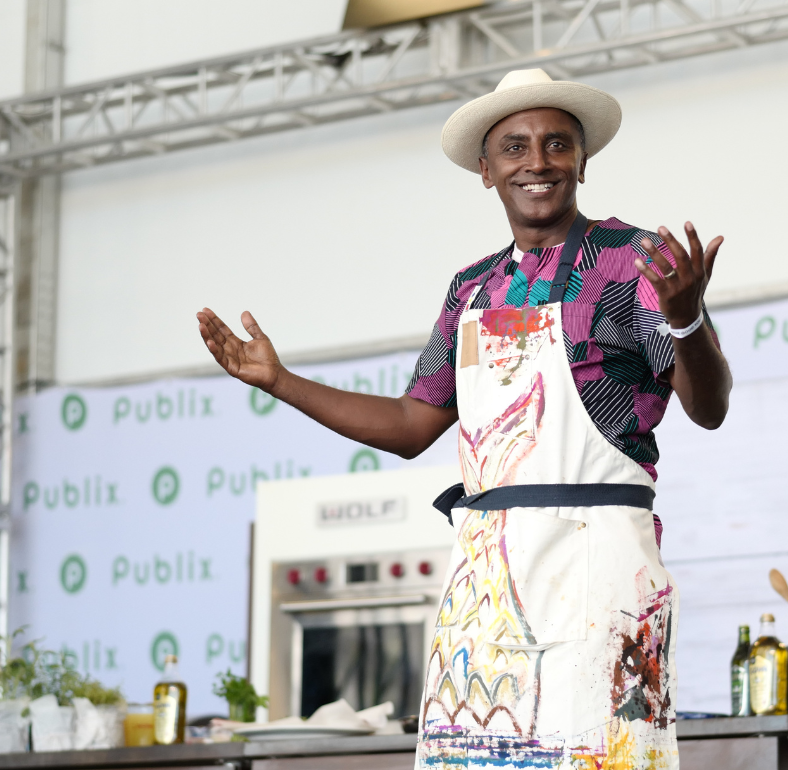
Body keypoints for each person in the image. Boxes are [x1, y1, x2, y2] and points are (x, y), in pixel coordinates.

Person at [197, 68, 731, 770]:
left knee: (600, 758)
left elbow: (710, 406)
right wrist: (281, 382)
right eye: (514, 147)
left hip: (599, 565)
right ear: (486, 170)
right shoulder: (471, 289)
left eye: (556, 144)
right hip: (487, 581)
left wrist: (687, 318)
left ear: (582, 161)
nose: (536, 161)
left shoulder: (634, 262)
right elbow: (414, 425)